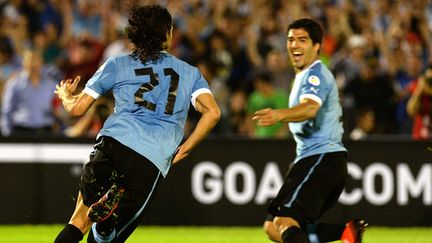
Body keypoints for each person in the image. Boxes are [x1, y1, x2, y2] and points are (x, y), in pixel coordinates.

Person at [53, 4, 220, 243]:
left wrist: (65, 95)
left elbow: (77, 109)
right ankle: (105, 227)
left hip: (112, 144)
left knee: (78, 220)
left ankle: (102, 223)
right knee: (106, 241)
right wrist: (186, 147)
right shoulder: (189, 73)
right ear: (167, 34)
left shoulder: (116, 64)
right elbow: (213, 113)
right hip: (149, 158)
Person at [252, 18, 367, 243]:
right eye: (291, 40)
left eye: (302, 40)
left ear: (316, 46)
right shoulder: (303, 76)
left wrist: (279, 114)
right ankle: (345, 233)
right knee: (273, 227)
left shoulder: (315, 75)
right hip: (314, 159)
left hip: (321, 158)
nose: (294, 45)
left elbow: (310, 108)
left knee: (284, 222)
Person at [1, 48, 60, 137]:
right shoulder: (14, 84)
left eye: (36, 60)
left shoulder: (51, 84)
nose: (33, 64)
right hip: (21, 131)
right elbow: (7, 110)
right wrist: (7, 135)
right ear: (24, 62)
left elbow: (57, 109)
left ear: (41, 62)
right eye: (30, 60)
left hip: (46, 131)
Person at [406, 65, 432, 140]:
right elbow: (410, 111)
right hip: (419, 140)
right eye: (429, 80)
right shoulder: (419, 90)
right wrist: (420, 89)